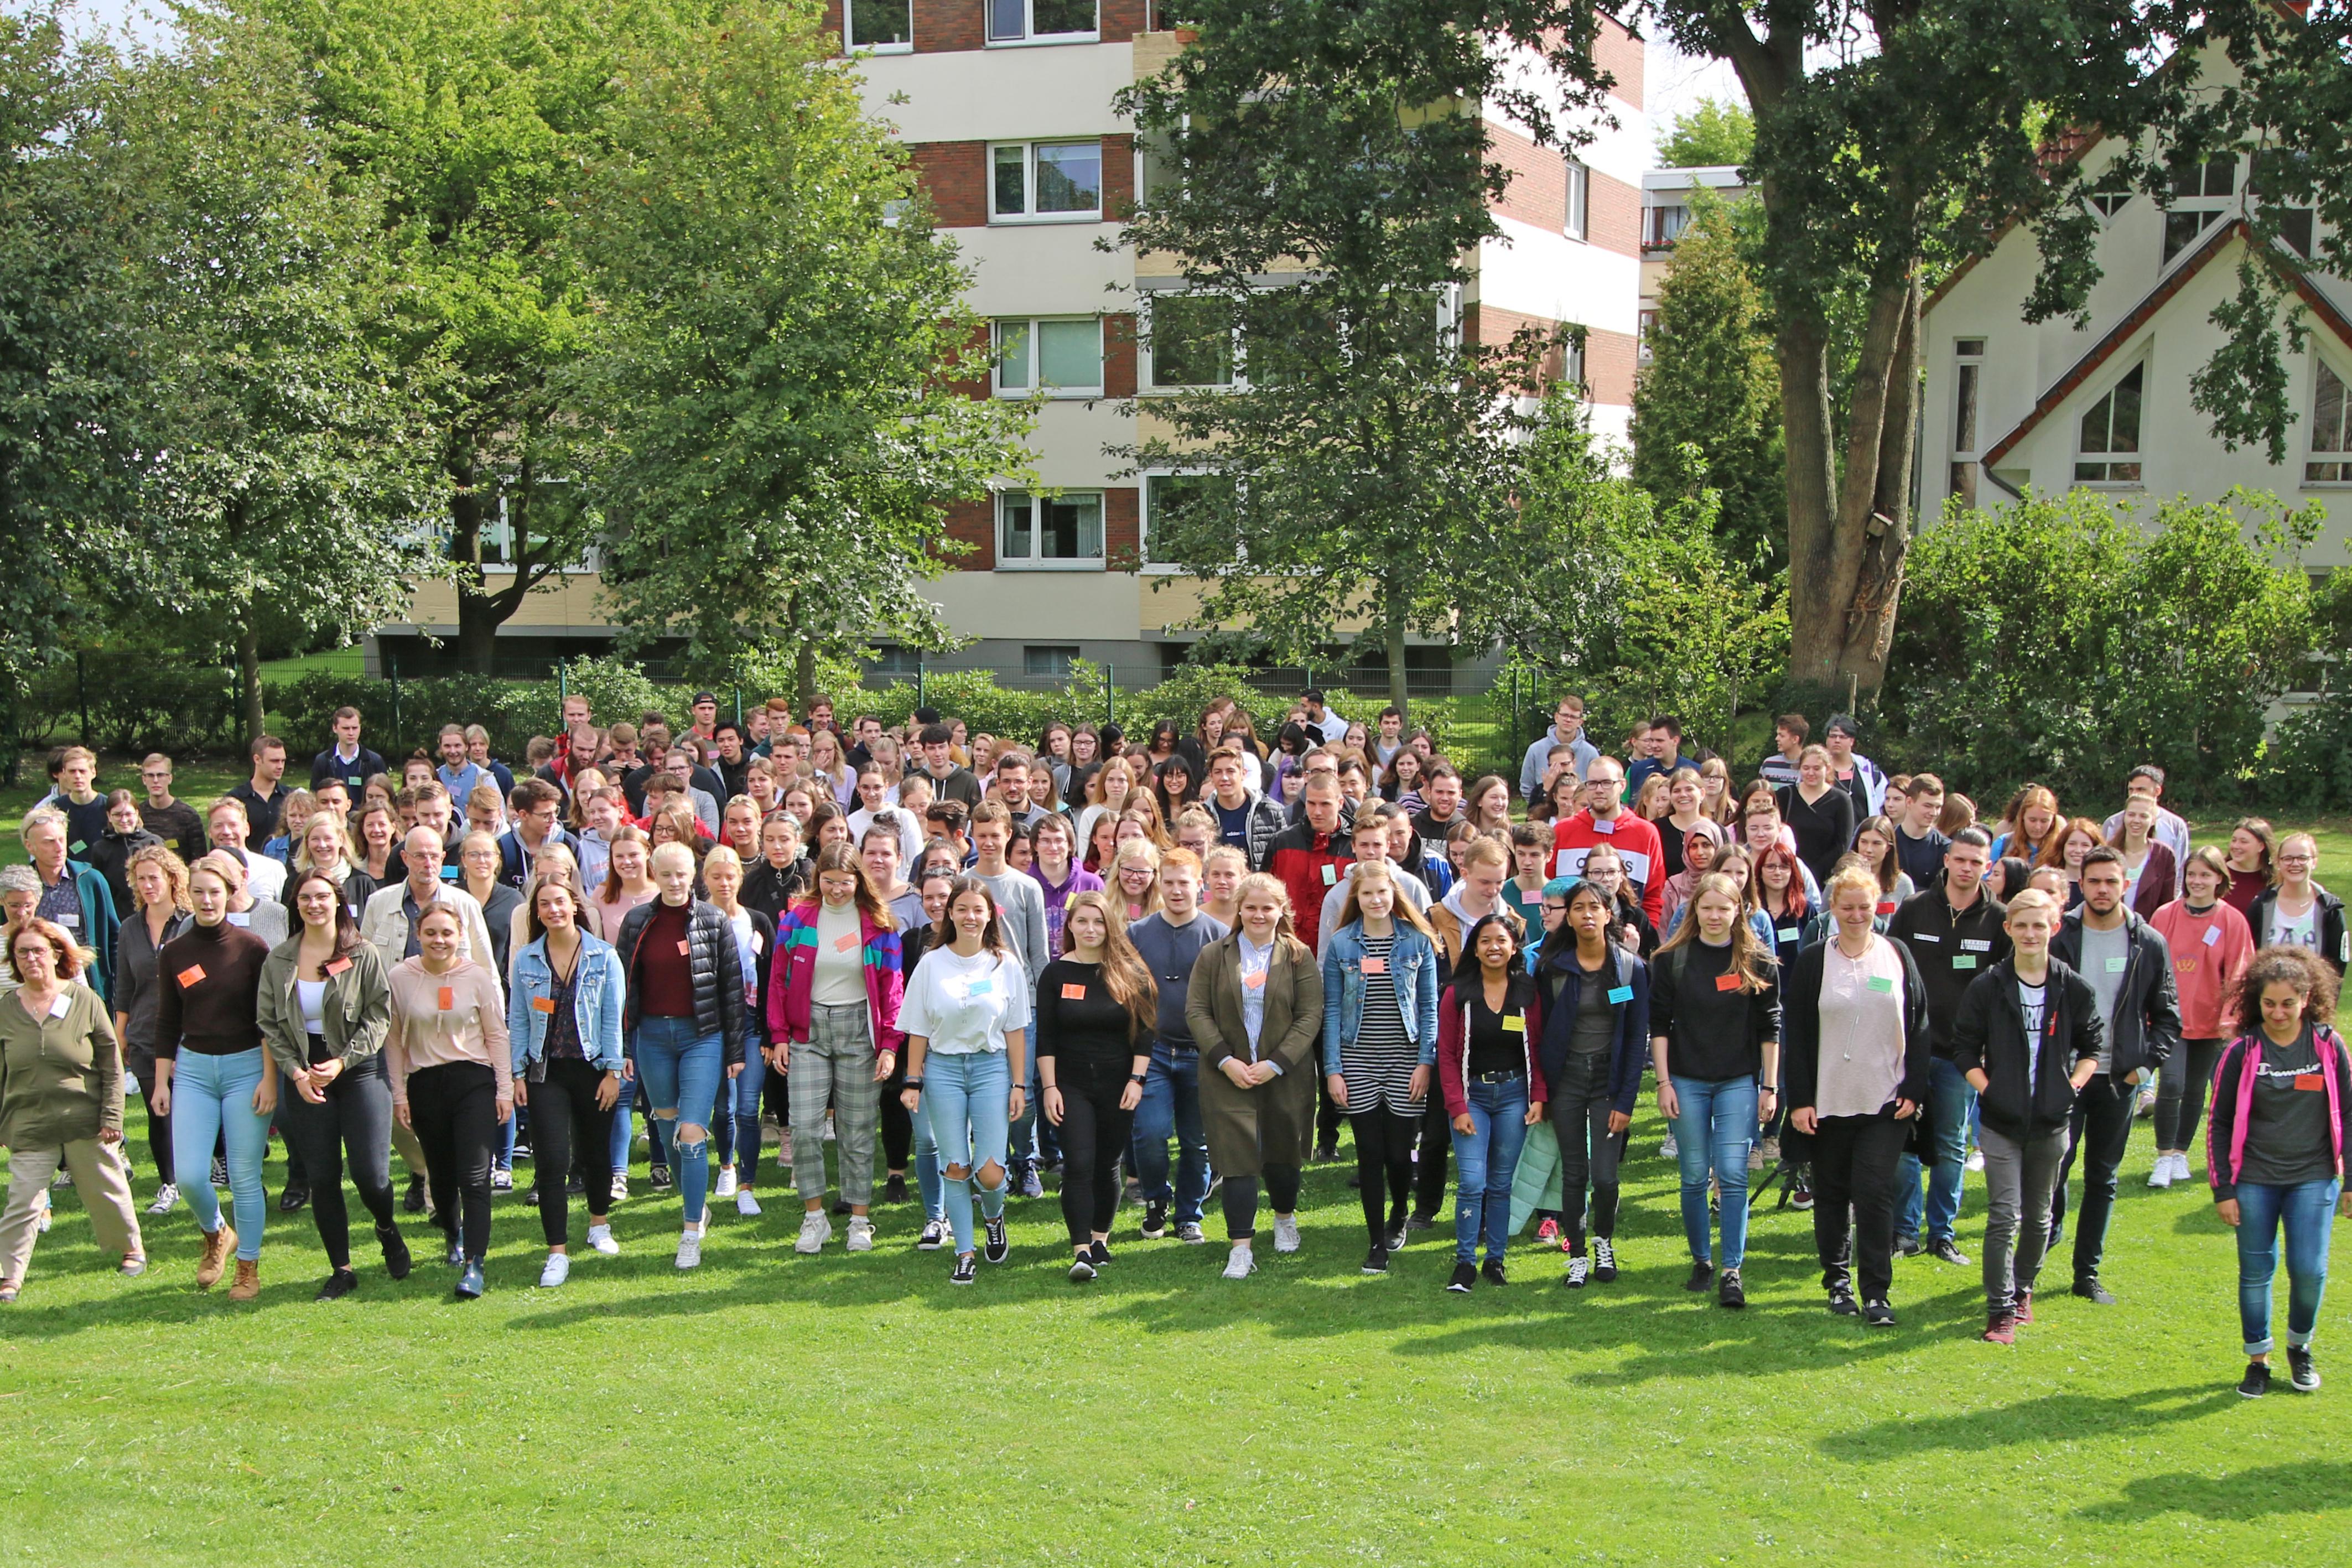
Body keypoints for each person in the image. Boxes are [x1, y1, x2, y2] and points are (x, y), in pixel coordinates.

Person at [1950, 887, 2106, 1343]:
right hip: (2000, 1121)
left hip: (2051, 1122)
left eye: (2039, 925)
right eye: (2021, 925)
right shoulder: (1988, 985)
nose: (2030, 933)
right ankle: (1999, 1307)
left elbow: (2092, 1046)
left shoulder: (2072, 987)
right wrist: (1990, 1089)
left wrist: (2071, 1086)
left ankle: (2022, 1291)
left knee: (2039, 1217)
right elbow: (1963, 1048)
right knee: (2004, 1215)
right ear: (2008, 929)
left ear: (2054, 928)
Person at [1783, 864, 1932, 1326]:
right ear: (1832, 907)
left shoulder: (1896, 954)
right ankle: (1836, 1281)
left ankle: (1876, 1292)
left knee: (1872, 1192)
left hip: (1884, 1101)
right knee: (1831, 1193)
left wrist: (1913, 1088)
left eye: (1863, 907)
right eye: (1846, 907)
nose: (1855, 915)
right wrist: (1800, 1100)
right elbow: (1797, 1033)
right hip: (1827, 1100)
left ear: (1876, 907)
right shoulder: (1813, 960)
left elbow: (1919, 1023)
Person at [258, 870, 407, 1301]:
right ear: (296, 904)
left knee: (370, 1175)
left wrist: (343, 1061)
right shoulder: (279, 959)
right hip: (306, 1075)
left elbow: (379, 1014)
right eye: (305, 898)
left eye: (322, 897)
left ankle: (386, 1228)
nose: (314, 905)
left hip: (358, 1068)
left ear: (338, 901)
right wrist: (296, 1073)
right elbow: (269, 1023)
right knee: (322, 1176)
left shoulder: (362, 953)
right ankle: (342, 1269)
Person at [2208, 946, 2350, 1396]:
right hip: (2253, 1180)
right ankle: (2258, 1360)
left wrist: (2350, 1181)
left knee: (2308, 1270)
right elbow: (2218, 1122)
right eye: (2269, 1003)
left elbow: (2348, 1112)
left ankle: (2299, 1347)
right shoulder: (2242, 1051)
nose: (2278, 1013)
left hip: (2314, 1176)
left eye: (2288, 1003)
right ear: (2257, 1001)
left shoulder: (2328, 1045)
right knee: (2255, 1272)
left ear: (2306, 999)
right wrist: (2222, 1189)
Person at [2047, 847, 2180, 1302]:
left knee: (2102, 1178)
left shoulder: (2148, 942)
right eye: (2094, 881)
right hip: (2064, 1076)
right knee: (2053, 1168)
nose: (2102, 890)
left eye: (2110, 882)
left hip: (2118, 1080)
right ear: (2080, 885)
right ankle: (2041, 1245)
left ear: (2125, 885)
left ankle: (2086, 1275)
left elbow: (2167, 1016)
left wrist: (2143, 1068)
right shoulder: (2058, 935)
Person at [1649, 873, 1780, 1309]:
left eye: (1723, 908)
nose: (1714, 916)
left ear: (1737, 911)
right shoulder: (1672, 960)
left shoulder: (1755, 960)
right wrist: (1663, 1082)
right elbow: (1658, 1025)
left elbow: (1770, 1027)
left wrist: (1769, 1086)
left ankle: (1731, 1269)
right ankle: (1702, 1261)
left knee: (1732, 1172)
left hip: (1737, 1081)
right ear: (1694, 910)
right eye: (1706, 908)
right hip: (1685, 1079)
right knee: (1693, 1175)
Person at [616, 842, 750, 1268]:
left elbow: (732, 990)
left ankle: (691, 1230)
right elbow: (624, 990)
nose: (674, 883)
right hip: (652, 1037)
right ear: (653, 875)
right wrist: (624, 1047)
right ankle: (696, 1204)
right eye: (666, 875)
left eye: (681, 874)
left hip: (702, 1037)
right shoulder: (637, 921)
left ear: (693, 874)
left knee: (692, 1131)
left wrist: (734, 1050)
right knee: (666, 1126)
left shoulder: (713, 920)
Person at [0, 917, 146, 1304]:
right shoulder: (6, 1009)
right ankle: (9, 1276)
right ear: (14, 959)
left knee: (106, 1189)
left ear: (55, 955)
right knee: (22, 1200)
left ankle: (131, 1250)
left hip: (85, 1118)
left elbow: (112, 1064)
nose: (31, 959)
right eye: (22, 953)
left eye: (38, 951)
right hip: (29, 1121)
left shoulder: (85, 1001)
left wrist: (112, 1116)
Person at [767, 844, 901, 1254]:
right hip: (807, 1032)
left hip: (859, 1032)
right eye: (829, 882)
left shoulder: (878, 925)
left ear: (859, 881)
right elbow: (778, 980)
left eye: (845, 882)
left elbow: (892, 988)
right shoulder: (798, 920)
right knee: (805, 1129)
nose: (837, 890)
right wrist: (778, 1036)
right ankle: (814, 1219)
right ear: (818, 879)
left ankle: (859, 1220)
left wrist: (889, 1044)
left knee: (858, 1131)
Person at [896, 876, 1029, 1284]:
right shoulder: (931, 964)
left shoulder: (1005, 964)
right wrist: (912, 1081)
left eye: (978, 909)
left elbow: (1015, 1030)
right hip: (943, 1070)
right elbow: (917, 1027)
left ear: (990, 915)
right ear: (950, 913)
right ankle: (965, 1253)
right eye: (962, 909)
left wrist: (1019, 1085)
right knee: (955, 1166)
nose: (970, 917)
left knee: (990, 1173)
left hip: (991, 1069)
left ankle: (993, 1216)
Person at [1886, 827, 2010, 1264]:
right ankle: (1904, 1232)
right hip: (1908, 1049)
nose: (1966, 868)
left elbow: (2004, 992)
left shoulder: (1999, 920)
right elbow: (1888, 968)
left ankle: (1941, 1233)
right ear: (1945, 860)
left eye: (1976, 862)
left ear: (1987, 867)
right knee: (1903, 1142)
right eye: (1959, 859)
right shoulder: (1914, 909)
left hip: (1963, 1055)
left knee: (1950, 1145)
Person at [154, 858, 277, 1299]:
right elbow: (167, 1019)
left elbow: (268, 1021)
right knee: (189, 1176)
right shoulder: (175, 952)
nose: (207, 900)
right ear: (187, 895)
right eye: (199, 892)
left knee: (243, 1177)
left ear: (230, 893)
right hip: (194, 1071)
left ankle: (248, 1269)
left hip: (247, 1068)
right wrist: (161, 1081)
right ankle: (217, 1232)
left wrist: (269, 1078)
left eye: (214, 891)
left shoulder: (252, 948)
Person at [1189, 872, 1321, 1281]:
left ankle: (1284, 1218)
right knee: (1237, 1160)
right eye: (1251, 907)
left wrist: (1275, 1063)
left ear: (1281, 910)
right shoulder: (1214, 955)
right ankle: (1240, 1248)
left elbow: (1310, 1015)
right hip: (1226, 1074)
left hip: (1284, 1074)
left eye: (1267, 907)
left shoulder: (1298, 955)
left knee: (1282, 1154)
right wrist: (1226, 1061)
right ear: (1239, 909)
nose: (1258, 915)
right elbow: (1197, 1011)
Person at [1322, 862, 1442, 1274]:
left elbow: (1429, 1008)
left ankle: (1399, 1213)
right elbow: (1332, 1009)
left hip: (1405, 1061)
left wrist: (1425, 1062)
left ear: (1394, 894)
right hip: (1357, 1060)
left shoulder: (1417, 941)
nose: (1375, 900)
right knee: (1369, 1155)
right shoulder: (1341, 943)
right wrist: (1333, 1070)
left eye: (1382, 892)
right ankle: (1376, 1242)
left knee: (1398, 1155)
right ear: (1356, 898)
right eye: (1367, 893)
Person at [508, 874, 627, 1287]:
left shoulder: (603, 956)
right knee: (552, 1161)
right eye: (544, 904)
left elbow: (613, 1017)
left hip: (593, 1069)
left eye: (560, 901)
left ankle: (599, 1224)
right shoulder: (527, 959)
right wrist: (517, 1073)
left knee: (596, 1154)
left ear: (575, 905)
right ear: (536, 913)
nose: (553, 910)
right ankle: (556, 1252)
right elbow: (519, 1019)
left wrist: (613, 1072)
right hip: (546, 1073)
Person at [384, 905, 509, 1299]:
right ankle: (453, 1234)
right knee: (440, 1173)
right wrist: (399, 1094)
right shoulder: (401, 977)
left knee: (474, 1176)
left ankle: (475, 1263)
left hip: (473, 1081)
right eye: (431, 933)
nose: (439, 941)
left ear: (460, 937)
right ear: (418, 935)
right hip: (425, 1083)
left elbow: (496, 1034)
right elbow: (393, 1039)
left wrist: (504, 1089)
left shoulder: (476, 977)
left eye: (447, 933)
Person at [1035, 891, 1156, 1281]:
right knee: (1079, 1163)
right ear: (1070, 925)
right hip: (1070, 1084)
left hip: (1119, 1083)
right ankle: (1081, 1250)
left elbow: (1145, 1033)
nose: (1090, 929)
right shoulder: (1055, 974)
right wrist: (1050, 1087)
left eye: (1099, 922)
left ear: (1110, 926)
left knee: (1108, 1164)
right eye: (1082, 921)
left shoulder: (1131, 972)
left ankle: (1100, 1239)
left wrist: (1137, 1080)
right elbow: (1046, 1038)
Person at [1535, 876, 1647, 1285]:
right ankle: (1577, 1254)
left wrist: (1626, 1100)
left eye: (1594, 907)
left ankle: (1604, 1243)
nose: (1586, 915)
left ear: (1607, 914)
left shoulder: (1630, 969)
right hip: (1567, 1079)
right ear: (1568, 916)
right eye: (1578, 908)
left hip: (1608, 1082)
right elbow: (1540, 1030)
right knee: (1574, 1173)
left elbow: (1636, 1037)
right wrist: (1542, 1090)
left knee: (1604, 1176)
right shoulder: (1552, 968)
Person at [1434, 911, 1546, 1291]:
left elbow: (1538, 1049)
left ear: (1514, 947)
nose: (1493, 947)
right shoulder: (1457, 993)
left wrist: (1538, 1097)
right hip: (1473, 1098)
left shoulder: (1527, 992)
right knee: (1472, 1182)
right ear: (1475, 949)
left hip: (1514, 1096)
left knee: (1500, 1184)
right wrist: (1457, 1107)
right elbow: (1446, 1055)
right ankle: (1465, 1261)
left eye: (1501, 940)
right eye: (1485, 941)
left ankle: (1495, 1260)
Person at [1126, 848, 1222, 1247]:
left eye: (1184, 882)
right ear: (1158, 884)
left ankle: (1188, 1216)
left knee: (1196, 1141)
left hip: (1202, 1052)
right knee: (1149, 1133)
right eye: (1169, 882)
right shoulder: (1137, 933)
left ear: (1200, 885)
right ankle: (1156, 1201)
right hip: (1153, 1052)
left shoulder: (1218, 935)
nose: (1177, 890)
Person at [2149, 848, 2257, 1189]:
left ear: (2219, 879)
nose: (2197, 881)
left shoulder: (2232, 920)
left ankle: (2181, 1153)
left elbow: (2241, 971)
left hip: (2211, 1020)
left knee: (2196, 1089)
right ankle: (2163, 1155)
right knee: (2171, 1084)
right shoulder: (2165, 915)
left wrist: (2230, 1017)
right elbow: (2148, 964)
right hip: (2170, 1019)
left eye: (2205, 875)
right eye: (2192, 874)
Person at [968, 802, 1050, 1195]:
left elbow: (1039, 953)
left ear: (1008, 836)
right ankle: (992, 1162)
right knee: (986, 1090)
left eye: (995, 836)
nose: (988, 843)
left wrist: (1044, 1004)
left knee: (1024, 1090)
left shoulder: (1026, 887)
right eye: (981, 835)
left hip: (1023, 1003)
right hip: (977, 1003)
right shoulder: (964, 883)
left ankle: (1025, 1159)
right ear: (973, 835)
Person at [112, 845, 191, 1217]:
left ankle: (208, 1170)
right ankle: (169, 1183)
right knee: (158, 1110)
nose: (147, 885)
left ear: (172, 880)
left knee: (192, 1111)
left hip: (190, 1034)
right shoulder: (130, 928)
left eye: (154, 878)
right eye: (140, 879)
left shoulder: (191, 921)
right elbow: (124, 984)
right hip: (145, 1033)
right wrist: (121, 1033)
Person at [699, 847, 776, 1219]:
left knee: (748, 1108)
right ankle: (726, 1165)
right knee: (723, 1106)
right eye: (716, 877)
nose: (724, 883)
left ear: (740, 878)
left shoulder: (758, 921)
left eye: (730, 876)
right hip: (713, 1026)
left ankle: (748, 1184)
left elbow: (773, 977)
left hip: (751, 1023)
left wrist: (770, 1033)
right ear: (705, 879)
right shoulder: (696, 921)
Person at [1549, 757, 1666, 929]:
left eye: (1606, 783)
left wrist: (1645, 933)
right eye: (1593, 783)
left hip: (1629, 935)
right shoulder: (1563, 831)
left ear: (1622, 786)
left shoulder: (1646, 833)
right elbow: (1549, 888)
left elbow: (1654, 896)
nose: (1599, 790)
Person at [19, 806, 118, 1006]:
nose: (59, 848)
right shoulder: (21, 888)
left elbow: (114, 937)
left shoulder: (91, 880)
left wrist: (117, 985)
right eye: (49, 842)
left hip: (89, 987)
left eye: (62, 839)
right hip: (37, 990)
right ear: (30, 846)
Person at [2246, 832, 2348, 974]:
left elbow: (2337, 966)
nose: (2295, 864)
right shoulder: (2261, 906)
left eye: (2302, 858)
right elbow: (2247, 956)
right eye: (2288, 859)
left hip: (2314, 988)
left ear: (2314, 862)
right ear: (2278, 862)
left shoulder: (2330, 910)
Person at [1776, 746, 1858, 890]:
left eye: (1817, 768)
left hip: (1826, 879)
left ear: (1828, 769)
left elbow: (1842, 844)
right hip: (1788, 875)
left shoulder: (1841, 800)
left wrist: (1814, 872)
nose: (1811, 773)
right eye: (1806, 768)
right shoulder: (1785, 796)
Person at [1028, 814, 1103, 962]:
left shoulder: (1092, 884)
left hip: (1082, 966)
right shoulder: (1024, 886)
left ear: (1070, 845)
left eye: (1059, 840)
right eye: (1045, 841)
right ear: (1035, 846)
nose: (1053, 847)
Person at [87, 792, 163, 934]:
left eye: (128, 814)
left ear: (137, 814)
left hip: (152, 918)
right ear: (109, 816)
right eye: (117, 815)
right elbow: (100, 891)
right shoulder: (100, 849)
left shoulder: (153, 842)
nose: (124, 820)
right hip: (117, 921)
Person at [2108, 793, 2180, 918]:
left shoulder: (2164, 855)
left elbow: (2167, 903)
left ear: (2153, 821)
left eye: (2143, 816)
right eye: (2131, 815)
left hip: (2149, 926)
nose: (2136, 820)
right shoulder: (2108, 852)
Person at [1519, 695, 1598, 804]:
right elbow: (1527, 787)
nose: (1568, 720)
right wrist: (1540, 806)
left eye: (1573, 717)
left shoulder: (1591, 753)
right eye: (1565, 715)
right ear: (1556, 717)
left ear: (1580, 722)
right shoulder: (1535, 750)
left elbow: (1595, 787)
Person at [229, 735, 292, 847]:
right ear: (257, 759)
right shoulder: (236, 799)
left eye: (283, 761)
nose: (280, 766)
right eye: (274, 761)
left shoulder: (291, 797)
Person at [1893, 773, 1951, 891]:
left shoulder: (1945, 848)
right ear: (1909, 802)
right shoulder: (1887, 840)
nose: (1934, 813)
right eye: (1927, 806)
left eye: (1938, 807)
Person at [1821, 715, 1888, 818]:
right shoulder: (1818, 769)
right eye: (1833, 736)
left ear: (1852, 741)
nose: (1837, 740)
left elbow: (1885, 799)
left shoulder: (1868, 770)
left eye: (1843, 737)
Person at [310, 707, 385, 795]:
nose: (351, 733)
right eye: (346, 728)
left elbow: (385, 795)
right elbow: (315, 795)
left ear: (360, 728)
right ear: (335, 728)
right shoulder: (322, 761)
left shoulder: (375, 761)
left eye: (355, 728)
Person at [2221, 818, 2277, 922]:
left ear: (2261, 846)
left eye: (2244, 842)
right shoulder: (2218, 872)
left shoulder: (2274, 879)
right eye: (2234, 840)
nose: (2236, 846)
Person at [1757, 713, 1808, 791]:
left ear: (1795, 739)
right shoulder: (1769, 764)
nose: (1777, 739)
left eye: (1782, 736)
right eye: (1777, 735)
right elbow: (1759, 793)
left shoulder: (1811, 767)